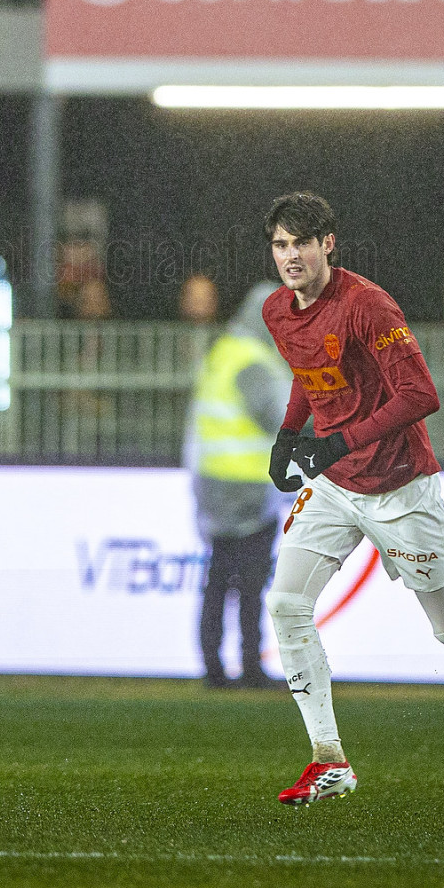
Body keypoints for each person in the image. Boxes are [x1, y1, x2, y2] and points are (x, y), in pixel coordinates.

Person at [259, 192, 444, 814]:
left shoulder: (368, 305)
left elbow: (421, 394)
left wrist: (337, 441)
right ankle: (329, 758)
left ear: (327, 244)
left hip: (400, 487)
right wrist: (289, 435)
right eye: (281, 245)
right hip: (335, 485)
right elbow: (308, 374)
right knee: (287, 604)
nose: (290, 256)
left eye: (302, 243)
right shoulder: (276, 309)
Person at [186, 283, 292, 689]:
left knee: (217, 580)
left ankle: (212, 667)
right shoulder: (254, 361)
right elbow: (277, 418)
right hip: (247, 489)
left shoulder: (223, 352)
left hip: (215, 484)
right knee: (250, 584)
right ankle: (250, 666)